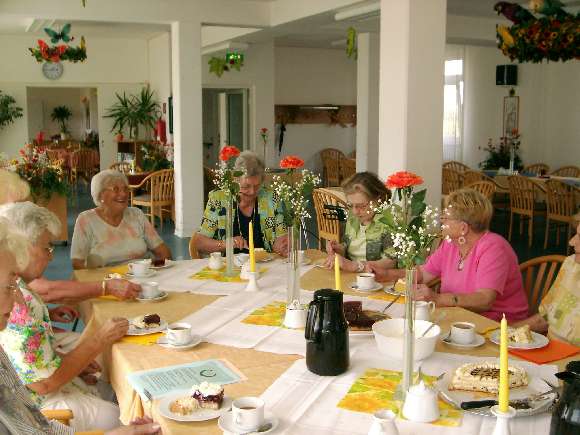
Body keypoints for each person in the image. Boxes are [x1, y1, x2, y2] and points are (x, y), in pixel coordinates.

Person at [0, 217, 162, 434]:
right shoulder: (20, 309)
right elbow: (43, 387)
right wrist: (97, 340)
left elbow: (35, 426)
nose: (15, 299)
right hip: (47, 399)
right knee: (117, 413)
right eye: (9, 286)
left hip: (43, 402)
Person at [369, 188, 529, 322]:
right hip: (459, 317)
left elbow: (485, 300)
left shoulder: (494, 248)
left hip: (496, 325)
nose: (440, 221)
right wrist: (387, 274)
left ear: (463, 228)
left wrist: (437, 299)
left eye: (445, 218)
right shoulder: (451, 244)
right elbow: (424, 274)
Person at [71, 169, 172, 269]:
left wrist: (152, 270)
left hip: (140, 276)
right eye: (116, 189)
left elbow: (164, 253)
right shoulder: (86, 220)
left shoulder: (136, 215)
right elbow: (77, 263)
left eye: (125, 189)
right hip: (106, 281)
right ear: (100, 194)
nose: (123, 194)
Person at [193, 151, 288, 256]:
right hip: (228, 267)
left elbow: (280, 237)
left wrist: (282, 246)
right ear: (235, 180)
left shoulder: (271, 199)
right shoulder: (219, 200)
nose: (252, 192)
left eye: (257, 186)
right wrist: (226, 244)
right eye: (246, 187)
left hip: (263, 266)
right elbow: (199, 243)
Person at [513, 213, 580, 345]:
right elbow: (546, 317)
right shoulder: (571, 265)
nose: (572, 242)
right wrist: (504, 331)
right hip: (549, 352)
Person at [323, 172, 395, 272]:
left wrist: (355, 266)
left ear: (378, 199)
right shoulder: (353, 218)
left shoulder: (388, 221)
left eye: (361, 206)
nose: (355, 211)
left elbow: (391, 261)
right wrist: (340, 249)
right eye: (351, 205)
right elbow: (350, 248)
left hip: (376, 280)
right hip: (351, 277)